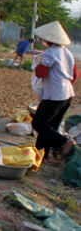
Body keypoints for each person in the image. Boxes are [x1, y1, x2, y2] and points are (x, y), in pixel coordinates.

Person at [31, 21, 78, 159]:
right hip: (67, 93)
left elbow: (41, 73)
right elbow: (74, 75)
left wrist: (38, 63)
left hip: (55, 95)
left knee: (38, 123)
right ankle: (41, 153)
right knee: (51, 125)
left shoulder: (50, 52)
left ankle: (65, 142)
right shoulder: (67, 52)